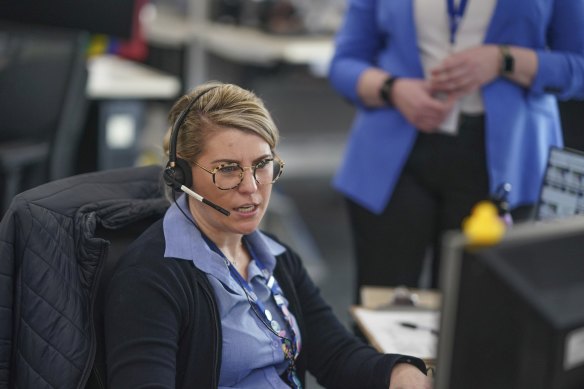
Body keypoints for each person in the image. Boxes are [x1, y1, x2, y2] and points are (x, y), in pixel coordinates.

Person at [104, 81, 432, 388]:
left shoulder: (276, 257)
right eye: (228, 169)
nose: (251, 188)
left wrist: (400, 372)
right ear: (182, 175)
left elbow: (334, 353)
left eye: (262, 164)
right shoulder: (151, 278)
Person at [328, 0, 584, 295]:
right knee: (380, 303)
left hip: (504, 162)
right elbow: (344, 62)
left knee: (474, 313)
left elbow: (578, 67)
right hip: (393, 156)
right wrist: (393, 89)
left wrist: (504, 60)